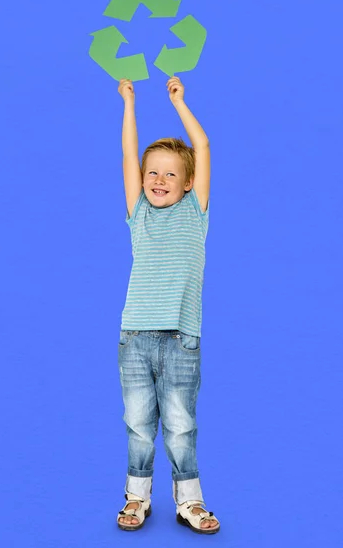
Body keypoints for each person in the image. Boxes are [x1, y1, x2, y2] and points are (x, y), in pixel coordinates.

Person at [116, 76, 220, 535]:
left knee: (180, 425)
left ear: (189, 182)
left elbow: (202, 143)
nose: (158, 179)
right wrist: (129, 103)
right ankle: (137, 497)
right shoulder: (138, 211)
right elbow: (127, 154)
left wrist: (180, 103)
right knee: (139, 424)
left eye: (170, 173)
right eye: (151, 171)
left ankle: (189, 501)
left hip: (181, 340)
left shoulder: (195, 212)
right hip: (135, 337)